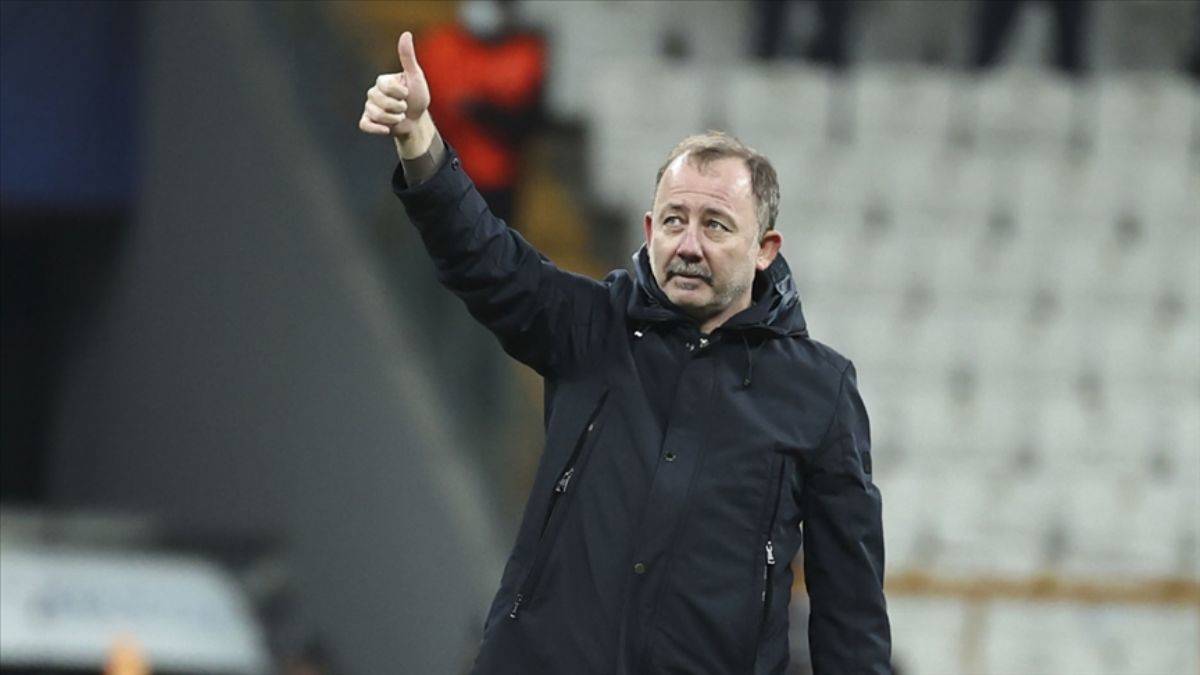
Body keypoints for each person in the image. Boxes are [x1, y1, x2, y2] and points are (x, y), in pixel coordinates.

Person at [360, 32, 891, 675]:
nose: (688, 245)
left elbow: (850, 609)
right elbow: (483, 256)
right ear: (648, 230)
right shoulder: (589, 327)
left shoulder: (820, 392)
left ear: (765, 249)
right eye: (674, 220)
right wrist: (419, 139)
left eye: (715, 225)